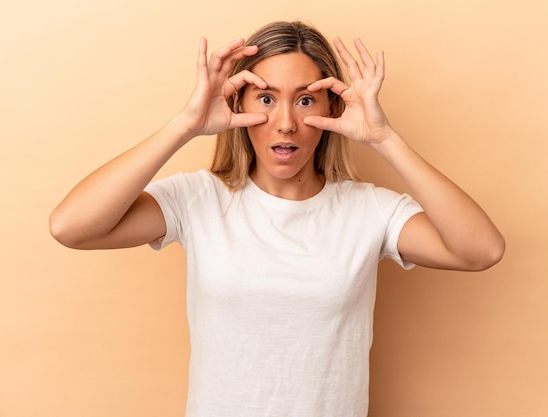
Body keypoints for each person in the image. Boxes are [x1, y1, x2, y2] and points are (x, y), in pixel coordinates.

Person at [50, 20, 504, 417]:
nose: (285, 121)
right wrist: (185, 124)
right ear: (237, 105)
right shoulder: (199, 198)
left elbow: (481, 250)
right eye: (265, 98)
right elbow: (71, 227)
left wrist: (384, 139)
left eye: (305, 101)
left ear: (332, 109)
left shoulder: (369, 210)